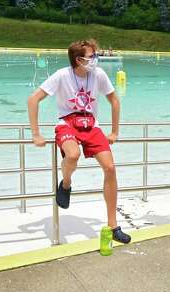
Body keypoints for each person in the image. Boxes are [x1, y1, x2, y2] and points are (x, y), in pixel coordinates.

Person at [27, 39, 131, 244]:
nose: (95, 60)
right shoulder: (62, 75)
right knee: (72, 155)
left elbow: (114, 100)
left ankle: (113, 225)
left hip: (91, 124)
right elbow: (33, 100)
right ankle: (66, 184)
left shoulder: (98, 75)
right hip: (67, 123)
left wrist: (115, 131)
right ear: (78, 59)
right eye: (91, 56)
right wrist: (36, 134)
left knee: (110, 168)